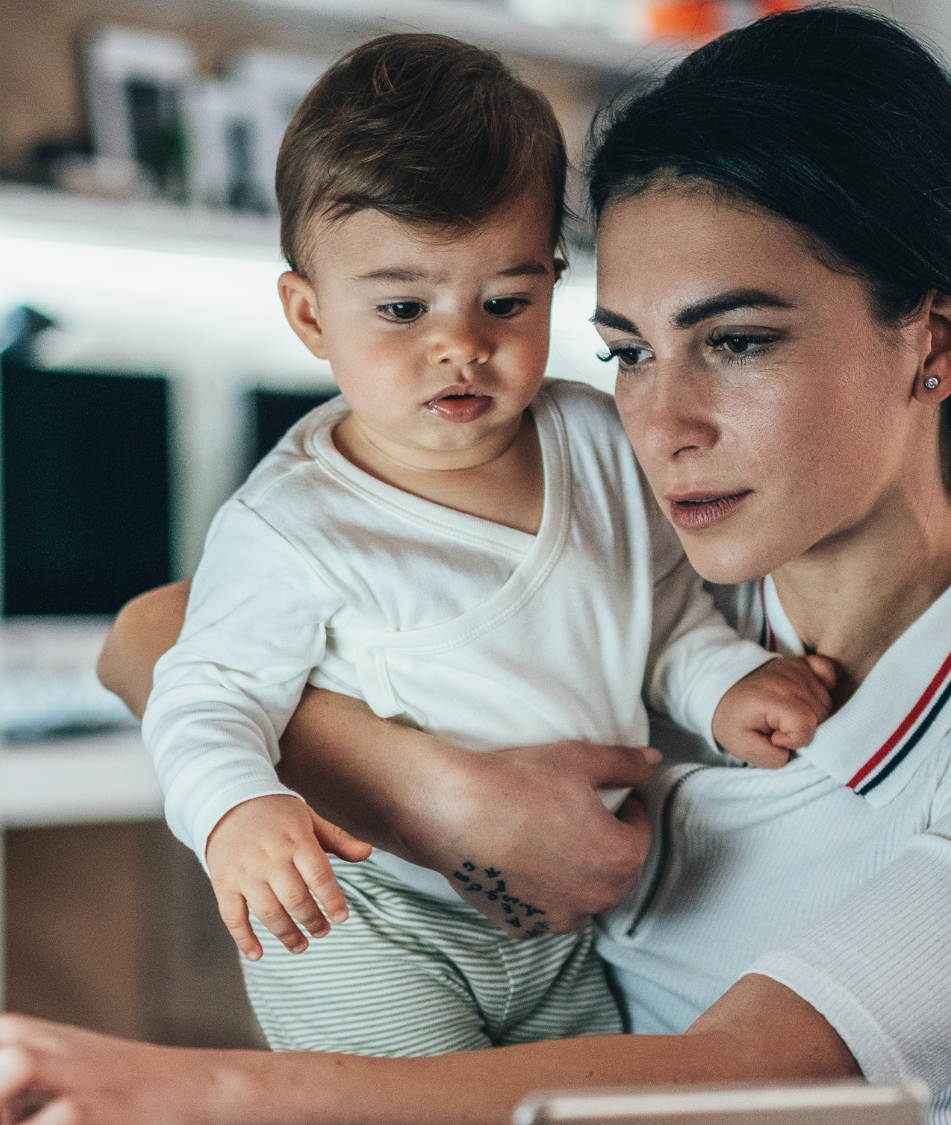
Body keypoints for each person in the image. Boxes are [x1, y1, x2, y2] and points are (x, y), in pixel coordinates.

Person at [0, 9, 951, 1125]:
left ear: (929, 345)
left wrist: (192, 1094)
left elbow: (753, 1077)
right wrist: (438, 795)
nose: (659, 424)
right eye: (628, 352)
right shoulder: (667, 547)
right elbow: (151, 632)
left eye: (737, 343)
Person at [146, 33, 834, 1060]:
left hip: (561, 938)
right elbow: (202, 694)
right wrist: (237, 810)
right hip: (372, 922)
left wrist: (725, 687)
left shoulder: (597, 440)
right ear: (307, 315)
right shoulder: (288, 524)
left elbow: (658, 613)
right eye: (399, 307)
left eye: (504, 303)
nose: (458, 344)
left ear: (553, 283)